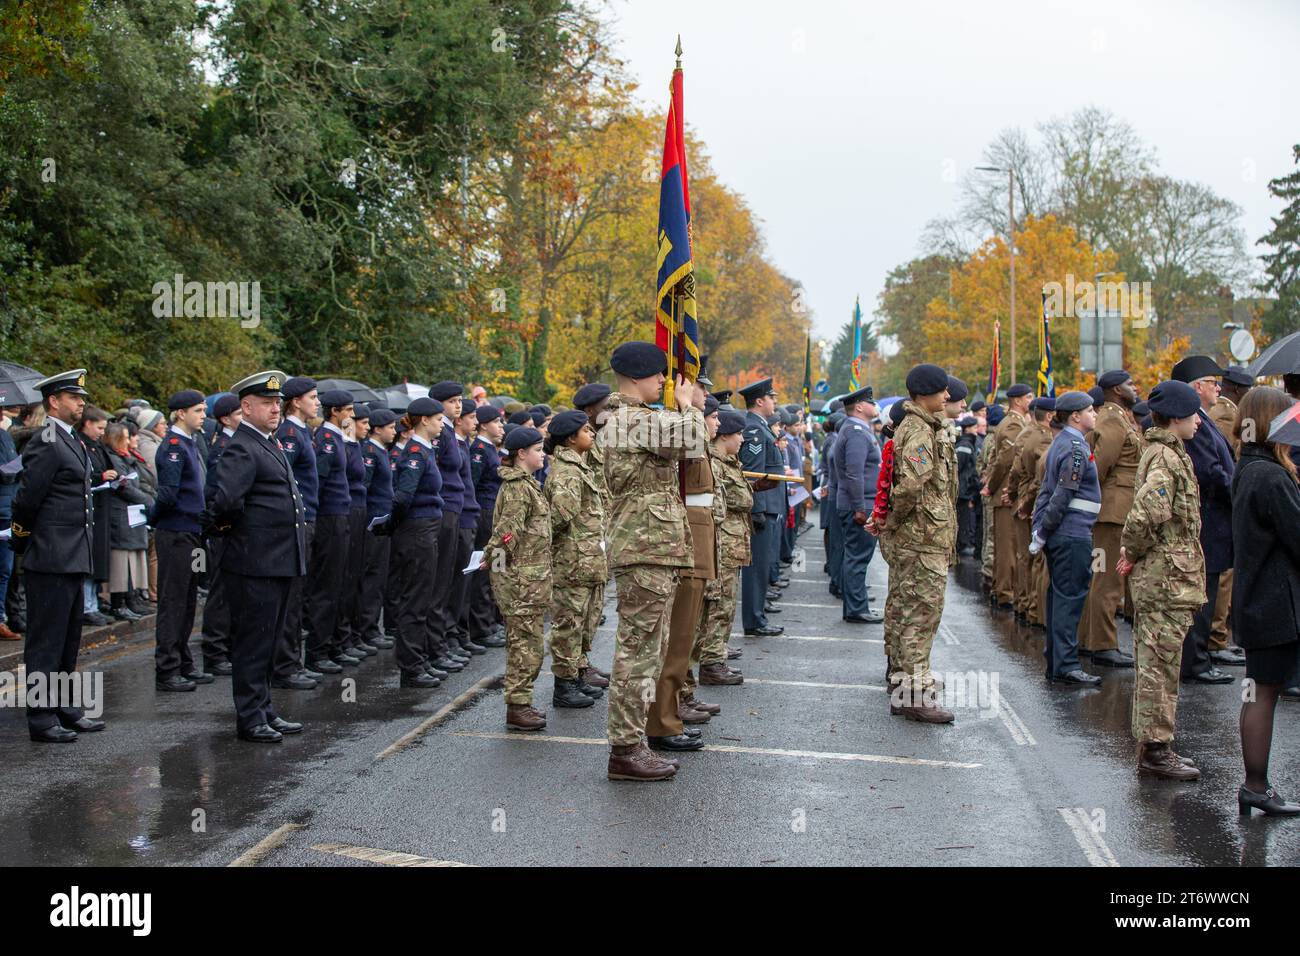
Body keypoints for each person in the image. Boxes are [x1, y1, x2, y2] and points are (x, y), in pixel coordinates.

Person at [601, 341, 705, 781]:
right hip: (643, 547)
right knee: (637, 651)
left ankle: (633, 743)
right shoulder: (626, 419)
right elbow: (693, 442)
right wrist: (688, 407)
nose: (665, 381)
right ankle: (625, 749)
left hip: (653, 546)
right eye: (659, 374)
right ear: (638, 376)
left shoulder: (634, 418)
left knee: (649, 647)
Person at [204, 371, 306, 743]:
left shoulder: (267, 442)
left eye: (277, 402)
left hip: (276, 560)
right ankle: (250, 717)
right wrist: (239, 539)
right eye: (267, 403)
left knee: (270, 639)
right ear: (246, 407)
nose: (275, 408)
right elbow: (227, 503)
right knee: (252, 643)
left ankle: (264, 708)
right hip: (255, 561)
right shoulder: (241, 445)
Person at [1114, 381, 1205, 780]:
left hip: (1170, 576)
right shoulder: (1166, 457)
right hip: (1165, 578)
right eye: (1193, 415)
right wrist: (1129, 552)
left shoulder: (1168, 453)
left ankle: (1158, 745)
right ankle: (1154, 749)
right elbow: (1147, 513)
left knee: (1161, 661)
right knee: (1158, 664)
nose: (1199, 421)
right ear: (1175, 419)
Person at [10, 370, 106, 742]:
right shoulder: (47, 440)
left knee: (68, 640)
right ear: (53, 401)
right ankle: (41, 717)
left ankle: (64, 707)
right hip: (50, 554)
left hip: (71, 554)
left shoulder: (70, 440)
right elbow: (28, 498)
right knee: (45, 643)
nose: (81, 403)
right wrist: (22, 540)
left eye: (81, 398)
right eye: (74, 397)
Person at [1230, 386, 1300, 814]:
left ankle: (1254, 786)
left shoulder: (1250, 467)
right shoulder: (1271, 476)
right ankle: (1256, 786)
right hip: (1276, 604)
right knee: (1264, 693)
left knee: (1258, 692)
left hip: (1258, 599)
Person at [882, 365, 956, 722]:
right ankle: (914, 696)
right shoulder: (920, 431)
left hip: (924, 537)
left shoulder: (921, 427)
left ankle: (904, 688)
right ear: (924, 394)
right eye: (941, 391)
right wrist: (894, 521)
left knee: (912, 612)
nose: (947, 397)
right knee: (920, 616)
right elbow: (912, 485)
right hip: (921, 540)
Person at [646, 390, 718, 753]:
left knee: (684, 637)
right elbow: (690, 445)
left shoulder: (691, 424)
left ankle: (669, 713)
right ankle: (661, 721)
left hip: (698, 532)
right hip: (686, 535)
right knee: (675, 638)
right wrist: (687, 407)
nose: (711, 410)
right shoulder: (678, 425)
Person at [1169, 356, 1234, 685]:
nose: (1219, 388)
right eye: (1213, 382)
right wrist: (1237, 490)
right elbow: (1210, 472)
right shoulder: (1197, 424)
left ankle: (1199, 658)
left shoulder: (1203, 420)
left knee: (1206, 592)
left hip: (1212, 522)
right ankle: (1196, 662)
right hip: (1208, 523)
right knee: (1202, 595)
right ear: (1197, 386)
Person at [1030, 391, 1102, 687]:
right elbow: (1063, 494)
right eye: (1090, 410)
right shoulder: (1075, 447)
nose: (1095, 414)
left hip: (1064, 532)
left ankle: (1057, 662)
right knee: (1069, 599)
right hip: (1071, 533)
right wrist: (1044, 531)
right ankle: (1067, 665)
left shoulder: (1064, 442)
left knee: (1060, 598)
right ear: (1075, 416)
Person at [485, 426, 552, 730]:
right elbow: (508, 532)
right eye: (538, 450)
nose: (543, 454)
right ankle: (518, 704)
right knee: (524, 643)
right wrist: (492, 556)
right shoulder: (516, 487)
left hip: (531, 576)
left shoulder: (527, 484)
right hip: (521, 579)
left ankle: (521, 701)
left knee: (530, 640)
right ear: (521, 454)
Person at [543, 410, 607, 709]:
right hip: (572, 561)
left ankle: (577, 675)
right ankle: (564, 685)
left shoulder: (579, 467)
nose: (591, 433)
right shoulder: (567, 471)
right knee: (569, 623)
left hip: (586, 559)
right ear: (570, 438)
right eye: (585, 430)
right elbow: (558, 516)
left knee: (584, 621)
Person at [1077, 369, 1141, 667]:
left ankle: (1092, 641)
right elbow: (1099, 466)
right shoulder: (1113, 419)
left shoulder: (1115, 416)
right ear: (1116, 389)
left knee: (1102, 578)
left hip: (1114, 511)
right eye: (1130, 384)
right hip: (1113, 513)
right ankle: (1103, 644)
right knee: (1108, 581)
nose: (1135, 387)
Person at [685, 407, 750, 700]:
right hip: (720, 541)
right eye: (738, 434)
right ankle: (711, 661)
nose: (742, 439)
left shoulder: (727, 461)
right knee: (716, 606)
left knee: (724, 606)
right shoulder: (717, 463)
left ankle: (714, 657)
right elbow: (734, 499)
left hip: (731, 541)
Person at [151, 390, 213, 691]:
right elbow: (167, 494)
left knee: (188, 601)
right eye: (198, 410)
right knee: (173, 601)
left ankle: (184, 661)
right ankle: (167, 669)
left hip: (192, 531)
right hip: (176, 532)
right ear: (180, 413)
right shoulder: (174, 445)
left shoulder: (190, 442)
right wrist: (154, 518)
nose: (203, 415)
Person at [387, 397, 445, 688]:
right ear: (424, 420)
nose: (442, 423)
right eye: (438, 419)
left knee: (422, 597)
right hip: (416, 531)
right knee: (414, 599)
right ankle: (411, 667)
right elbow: (402, 497)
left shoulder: (425, 450)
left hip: (426, 529)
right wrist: (392, 525)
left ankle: (417, 660)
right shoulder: (415, 452)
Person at [273, 377, 320, 690]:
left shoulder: (303, 430)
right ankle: (286, 666)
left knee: (299, 594)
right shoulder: (290, 432)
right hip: (296, 521)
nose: (317, 402)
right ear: (296, 401)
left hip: (307, 518)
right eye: (312, 397)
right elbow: (282, 477)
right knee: (290, 597)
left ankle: (293, 661)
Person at [305, 389, 356, 673]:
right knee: (325, 587)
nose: (352, 416)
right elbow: (319, 482)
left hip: (341, 514)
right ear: (335, 412)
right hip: (328, 516)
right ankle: (317, 650)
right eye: (348, 411)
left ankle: (335, 644)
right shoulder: (325, 438)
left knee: (339, 584)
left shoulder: (337, 437)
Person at [1207, 365, 1253, 667]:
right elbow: (1222, 460)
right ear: (1237, 389)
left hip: (1223, 500)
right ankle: (1216, 638)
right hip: (1221, 502)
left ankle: (1219, 636)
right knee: (1223, 575)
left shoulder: (1228, 410)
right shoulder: (1225, 415)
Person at [426, 382, 473, 671]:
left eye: (460, 401)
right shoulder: (440, 434)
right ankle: (436, 646)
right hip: (444, 512)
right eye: (453, 401)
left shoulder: (450, 433)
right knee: (439, 583)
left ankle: (442, 642)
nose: (458, 406)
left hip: (456, 511)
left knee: (449, 581)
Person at [199, 392, 241, 677]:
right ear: (226, 418)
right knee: (221, 592)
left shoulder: (234, 442)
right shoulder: (223, 446)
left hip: (235, 528)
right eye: (239, 414)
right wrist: (221, 526)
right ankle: (215, 651)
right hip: (223, 529)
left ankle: (226, 646)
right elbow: (216, 492)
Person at [738, 378, 783, 637]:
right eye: (771, 398)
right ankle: (754, 620)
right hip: (761, 509)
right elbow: (753, 475)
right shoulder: (754, 430)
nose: (774, 402)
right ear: (759, 401)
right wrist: (756, 511)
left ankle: (758, 616)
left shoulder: (761, 427)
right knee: (756, 569)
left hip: (767, 507)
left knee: (762, 566)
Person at [834, 386, 883, 624]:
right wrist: (860, 508)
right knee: (857, 557)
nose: (876, 406)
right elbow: (854, 473)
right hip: (860, 503)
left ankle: (855, 605)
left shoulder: (858, 430)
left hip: (860, 501)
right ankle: (856, 609)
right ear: (860, 407)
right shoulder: (855, 431)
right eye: (871, 402)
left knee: (856, 556)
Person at [984, 384, 1033, 609]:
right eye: (1029, 397)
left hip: (1005, 490)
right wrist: (993, 486)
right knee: (1007, 547)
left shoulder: (1018, 421)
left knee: (1009, 545)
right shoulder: (1014, 423)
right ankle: (1004, 592)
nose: (1032, 401)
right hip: (1005, 491)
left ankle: (1002, 588)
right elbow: (1006, 459)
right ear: (1018, 401)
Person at [1007, 398, 1054, 626]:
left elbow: (1015, 469)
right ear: (1050, 416)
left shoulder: (1028, 434)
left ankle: (1024, 603)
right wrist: (1025, 501)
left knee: (1024, 557)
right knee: (1036, 559)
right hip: (1033, 499)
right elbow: (1041, 477)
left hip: (1024, 496)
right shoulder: (1044, 438)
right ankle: (1034, 609)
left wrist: (1015, 494)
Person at [355, 407, 397, 654]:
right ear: (378, 429)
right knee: (371, 578)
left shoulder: (382, 451)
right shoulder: (370, 452)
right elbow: (365, 487)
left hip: (383, 523)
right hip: (374, 523)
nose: (394, 431)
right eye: (390, 427)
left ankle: (370, 628)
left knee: (379, 577)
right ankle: (367, 628)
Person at [102, 422, 152, 623]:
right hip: (121, 514)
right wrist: (148, 500)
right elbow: (126, 487)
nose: (132, 440)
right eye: (126, 437)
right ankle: (118, 602)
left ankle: (131, 597)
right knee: (121, 560)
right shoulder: (113, 459)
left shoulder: (126, 458)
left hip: (132, 513)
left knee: (132, 558)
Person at [466, 403, 506, 651]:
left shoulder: (489, 448)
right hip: (483, 510)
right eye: (496, 422)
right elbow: (473, 482)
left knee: (493, 568)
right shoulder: (479, 449)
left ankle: (490, 621)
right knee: (482, 569)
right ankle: (481, 626)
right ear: (483, 425)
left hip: (492, 511)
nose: (501, 426)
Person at [75, 406, 114, 626]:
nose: (102, 432)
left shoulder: (97, 446)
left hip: (101, 508)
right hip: (90, 509)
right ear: (87, 423)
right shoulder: (80, 444)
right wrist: (101, 476)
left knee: (97, 560)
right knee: (89, 559)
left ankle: (92, 603)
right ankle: (86, 606)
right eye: (99, 427)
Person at [0, 405, 22, 641]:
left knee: (5, 570)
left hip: (6, 510)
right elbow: (6, 472)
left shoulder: (5, 436)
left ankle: (0, 619)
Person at [954, 415, 981, 556]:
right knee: (962, 519)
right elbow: (959, 467)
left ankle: (962, 544)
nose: (977, 430)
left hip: (966, 489)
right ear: (968, 428)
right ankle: (960, 546)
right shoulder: (965, 446)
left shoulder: (968, 444)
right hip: (963, 491)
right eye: (975, 427)